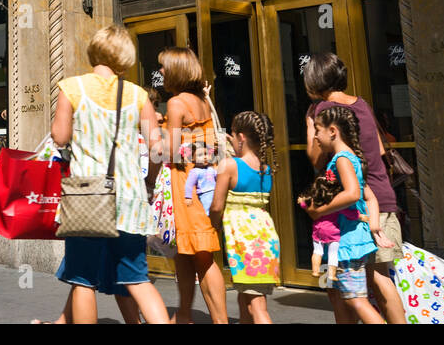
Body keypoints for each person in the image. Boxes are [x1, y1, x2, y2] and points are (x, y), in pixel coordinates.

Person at [38, 25, 169, 325]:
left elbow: (59, 137)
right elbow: (157, 148)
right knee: (137, 278)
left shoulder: (72, 87)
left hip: (88, 194)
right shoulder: (137, 94)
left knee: (83, 280)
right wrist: (149, 182)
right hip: (131, 197)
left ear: (94, 50)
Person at [304, 52, 405, 324]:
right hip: (380, 196)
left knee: (344, 288)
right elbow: (381, 150)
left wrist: (309, 121)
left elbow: (315, 158)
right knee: (381, 278)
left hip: (352, 211)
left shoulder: (323, 110)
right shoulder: (362, 104)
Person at [306, 105, 393, 324]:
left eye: (318, 130)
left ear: (333, 131)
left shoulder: (342, 159)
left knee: (356, 300)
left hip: (346, 243)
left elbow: (354, 194)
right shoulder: (349, 159)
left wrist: (319, 211)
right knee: (338, 295)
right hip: (340, 241)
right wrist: (374, 227)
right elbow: (369, 197)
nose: (315, 136)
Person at [162, 46, 228, 323]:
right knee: (187, 253)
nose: (161, 72)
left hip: (185, 184)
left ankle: (220, 320)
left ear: (176, 70)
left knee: (201, 255)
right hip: (204, 180)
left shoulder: (176, 104)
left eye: (164, 67)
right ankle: (185, 315)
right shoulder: (201, 101)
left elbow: (169, 151)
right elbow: (210, 144)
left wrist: (153, 131)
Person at [212, 111, 280, 323]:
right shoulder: (266, 169)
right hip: (266, 240)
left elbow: (216, 206)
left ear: (241, 137)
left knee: (257, 305)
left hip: (245, 244)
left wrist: (214, 227)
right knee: (246, 298)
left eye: (232, 135)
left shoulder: (230, 166)